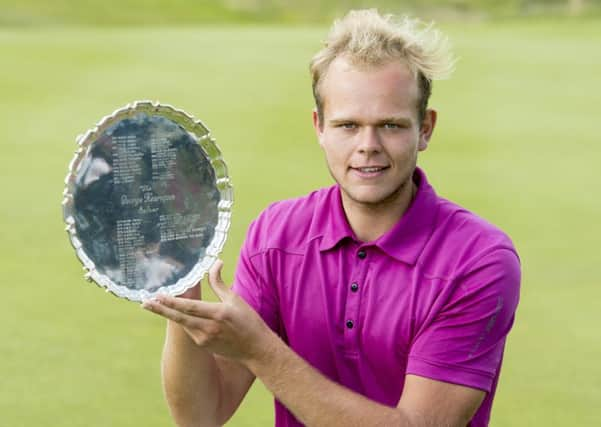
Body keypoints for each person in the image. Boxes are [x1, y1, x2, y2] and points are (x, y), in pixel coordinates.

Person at [142, 9, 521, 427]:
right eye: (348, 125)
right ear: (319, 126)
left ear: (425, 128)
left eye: (391, 125)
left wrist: (260, 349)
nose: (368, 145)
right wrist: (184, 277)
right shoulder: (276, 234)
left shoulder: (478, 260)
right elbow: (201, 415)